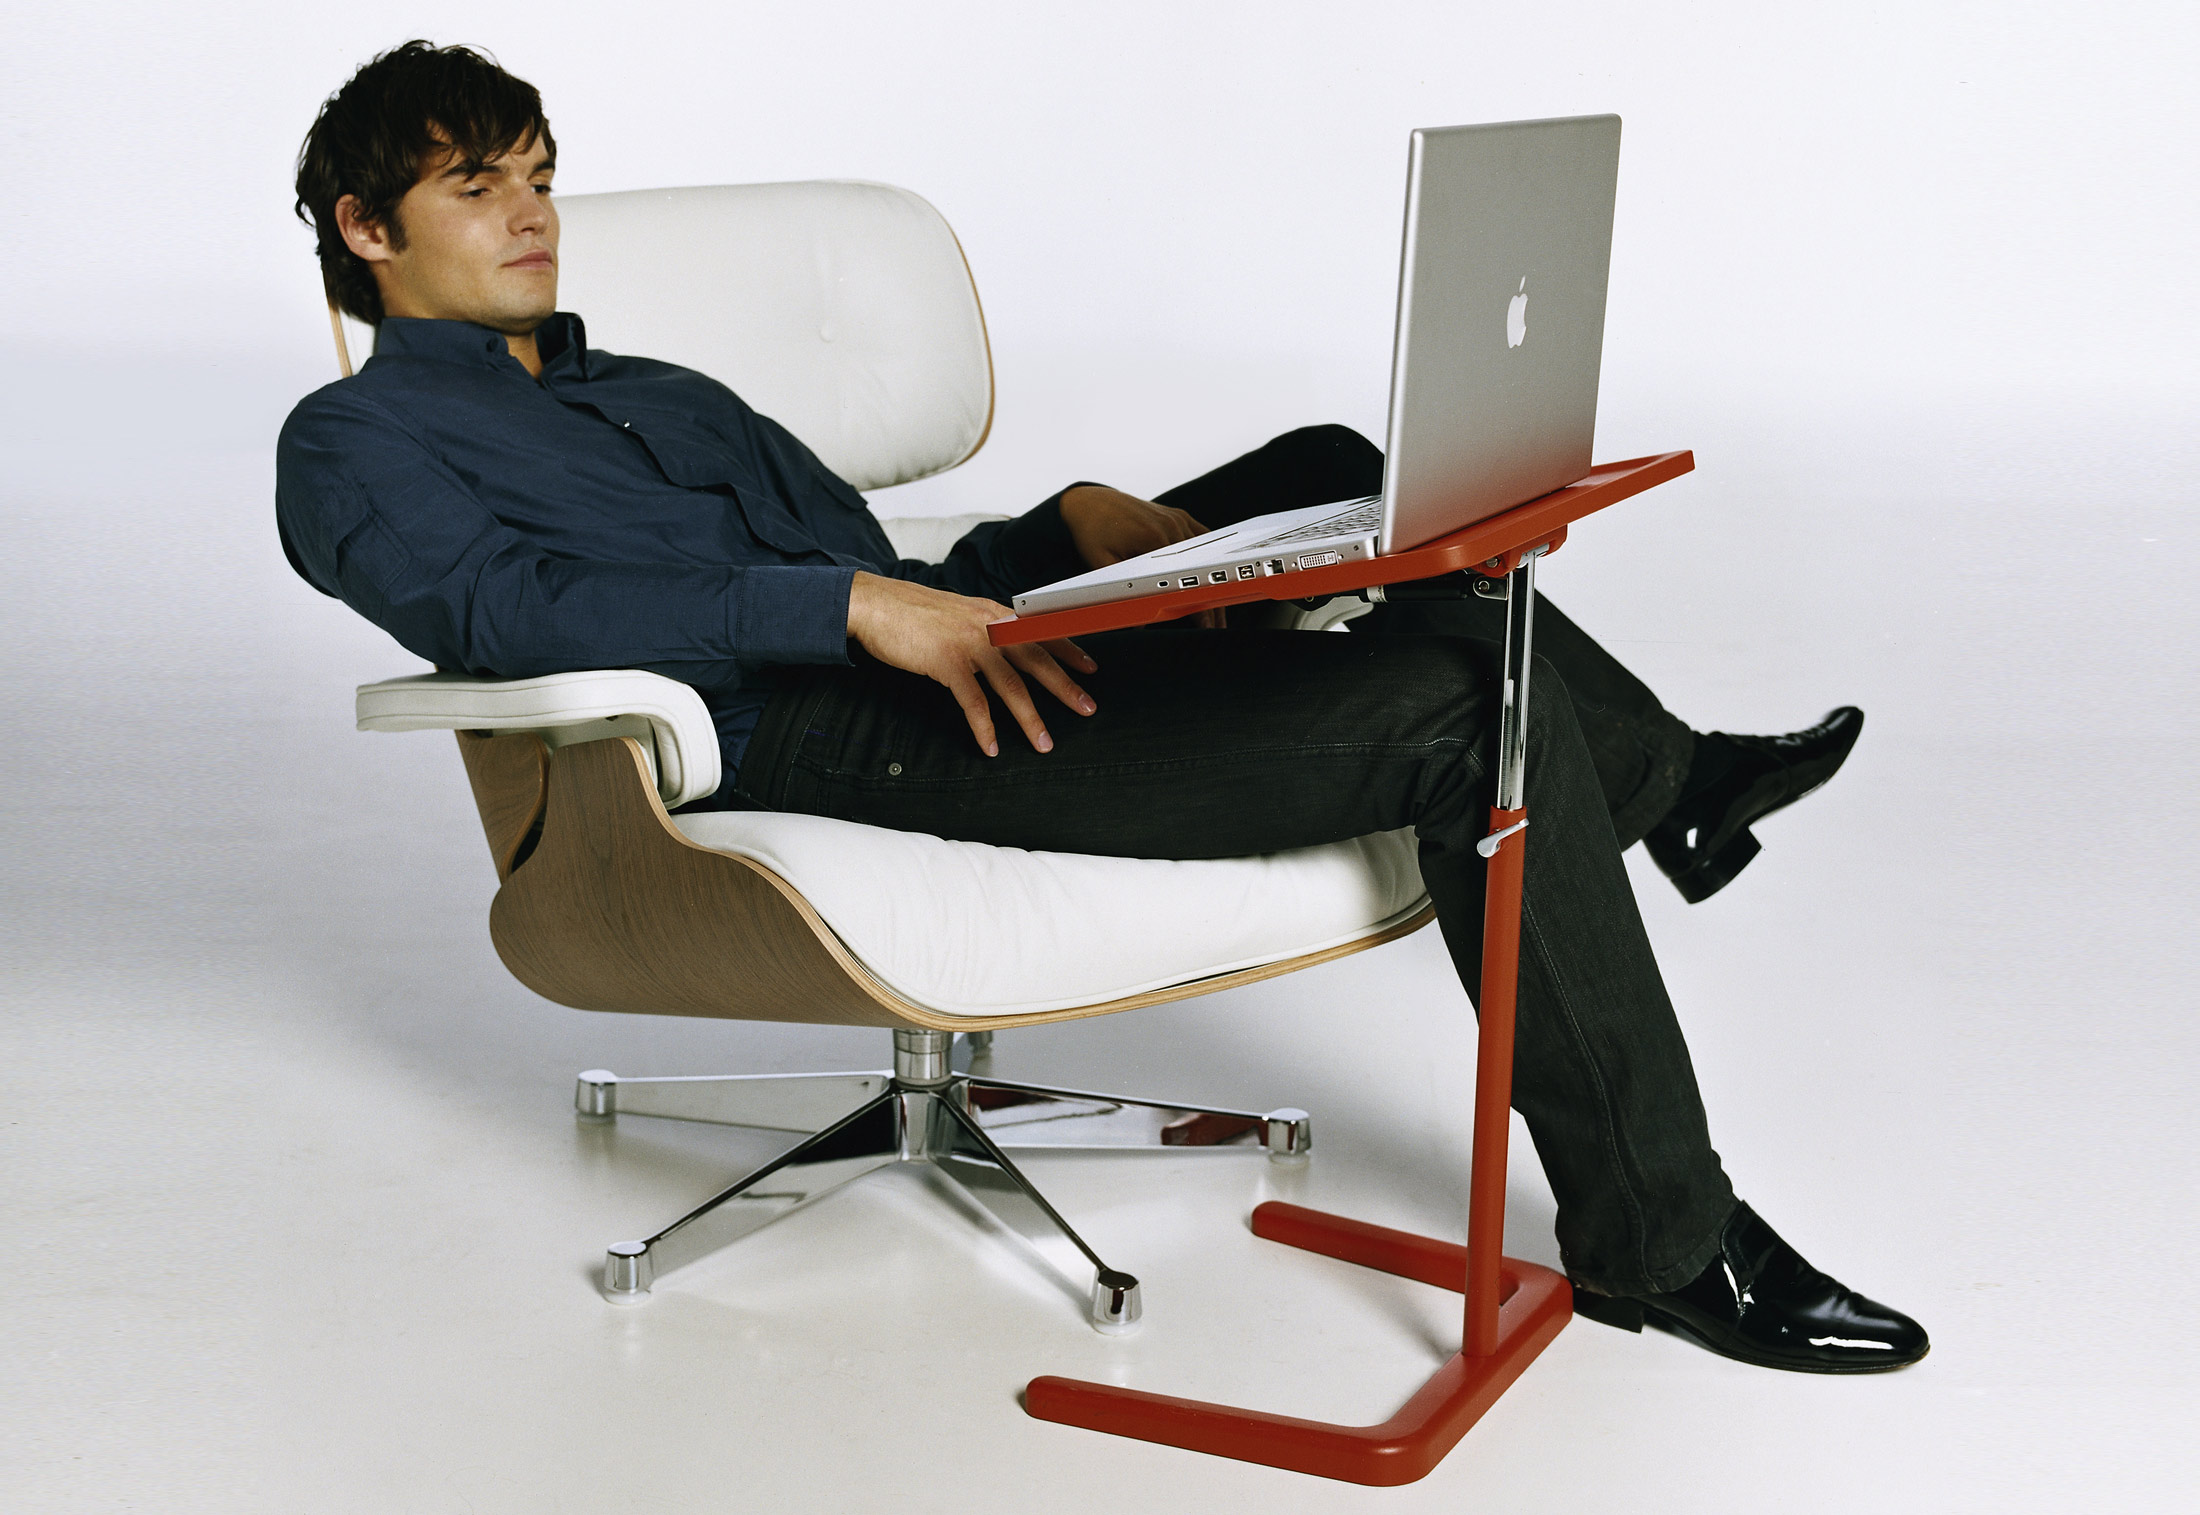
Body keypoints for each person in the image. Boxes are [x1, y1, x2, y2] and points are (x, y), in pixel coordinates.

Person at [277, 41, 1926, 1374]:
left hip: (942, 656)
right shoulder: (350, 445)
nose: (533, 214)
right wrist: (841, 610)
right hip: (810, 737)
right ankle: (1668, 1232)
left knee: (1342, 471)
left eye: (541, 176)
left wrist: (1058, 538)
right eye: (477, 186)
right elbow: (509, 615)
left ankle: (1672, 784)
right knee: (1466, 712)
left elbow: (882, 564)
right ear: (367, 229)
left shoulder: (655, 392)